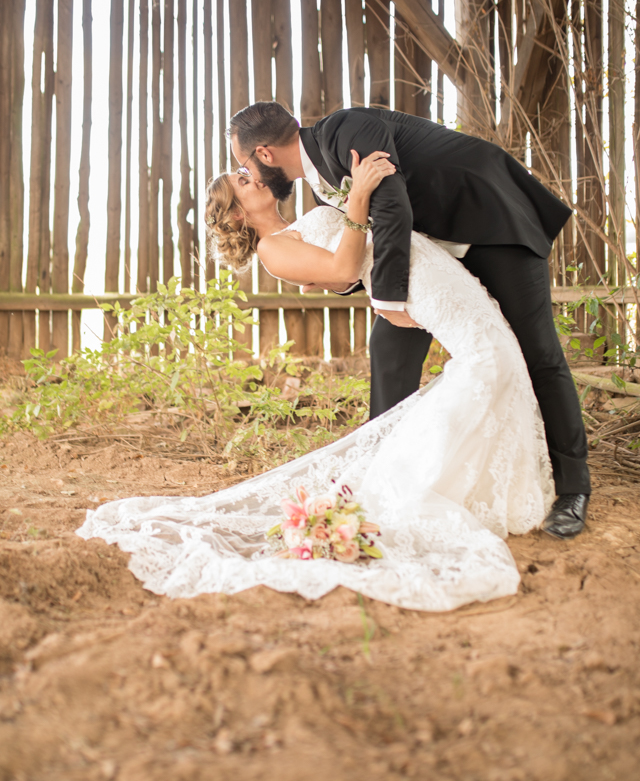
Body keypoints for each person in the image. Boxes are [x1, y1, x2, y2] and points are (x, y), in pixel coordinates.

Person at [78, 147, 554, 612]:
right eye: (241, 182)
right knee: (489, 361)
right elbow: (345, 265)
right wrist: (360, 197)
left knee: (495, 357)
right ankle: (422, 484)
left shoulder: (297, 227)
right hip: (421, 282)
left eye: (247, 173)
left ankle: (444, 476)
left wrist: (351, 245)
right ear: (238, 215)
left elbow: (341, 270)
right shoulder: (272, 250)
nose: (253, 176)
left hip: (427, 272)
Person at [227, 102, 590, 540]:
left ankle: (573, 491)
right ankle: (382, 482)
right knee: (388, 349)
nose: (249, 175)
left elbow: (393, 205)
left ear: (264, 155)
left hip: (490, 225)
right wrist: (336, 281)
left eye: (244, 165)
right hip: (433, 259)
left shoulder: (345, 129)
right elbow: (363, 246)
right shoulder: (320, 178)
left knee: (538, 353)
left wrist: (389, 296)